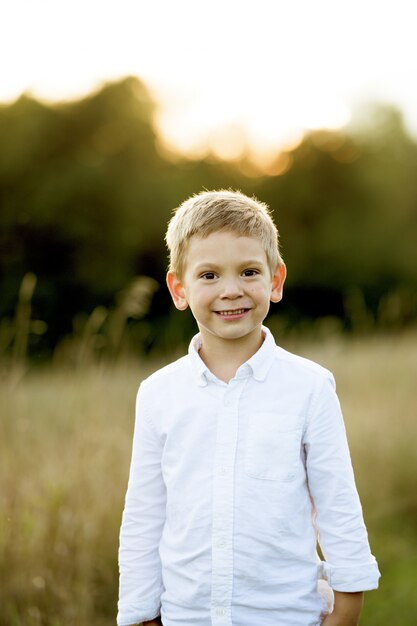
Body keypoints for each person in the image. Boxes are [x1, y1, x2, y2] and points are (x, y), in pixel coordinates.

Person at [117, 190, 380, 626]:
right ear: (179, 289)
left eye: (249, 271)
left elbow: (338, 505)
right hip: (187, 617)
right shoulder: (158, 393)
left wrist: (347, 607)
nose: (231, 290)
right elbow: (145, 515)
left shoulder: (310, 387)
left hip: (286, 616)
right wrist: (140, 612)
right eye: (209, 275)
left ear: (275, 282)